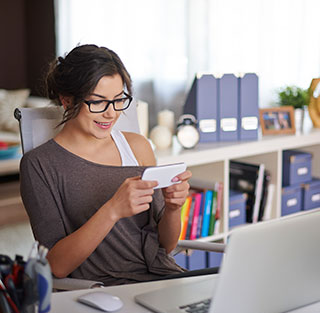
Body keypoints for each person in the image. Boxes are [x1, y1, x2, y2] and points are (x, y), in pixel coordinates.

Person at [20, 44, 192, 286]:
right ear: (67, 101)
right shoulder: (39, 165)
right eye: (98, 102)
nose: (111, 114)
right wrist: (112, 210)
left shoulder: (138, 147)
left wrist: (174, 209)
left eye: (118, 100)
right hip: (101, 291)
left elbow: (166, 246)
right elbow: (56, 266)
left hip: (162, 279)